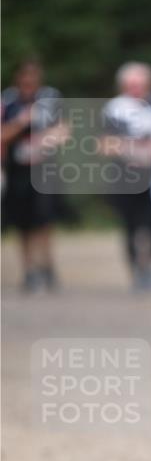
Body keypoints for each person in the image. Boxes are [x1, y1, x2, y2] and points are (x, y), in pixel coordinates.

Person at [102, 62, 151, 291]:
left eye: (141, 85)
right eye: (132, 85)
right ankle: (137, 271)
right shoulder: (114, 109)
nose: (137, 90)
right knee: (130, 226)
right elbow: (104, 144)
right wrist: (129, 150)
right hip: (126, 177)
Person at [1, 60, 69, 292]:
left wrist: (46, 140)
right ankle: (29, 269)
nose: (28, 83)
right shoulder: (8, 101)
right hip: (18, 170)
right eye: (24, 79)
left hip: (44, 168)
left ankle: (47, 266)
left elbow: (64, 130)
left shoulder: (50, 98)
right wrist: (21, 122)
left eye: (33, 79)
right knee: (22, 223)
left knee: (45, 220)